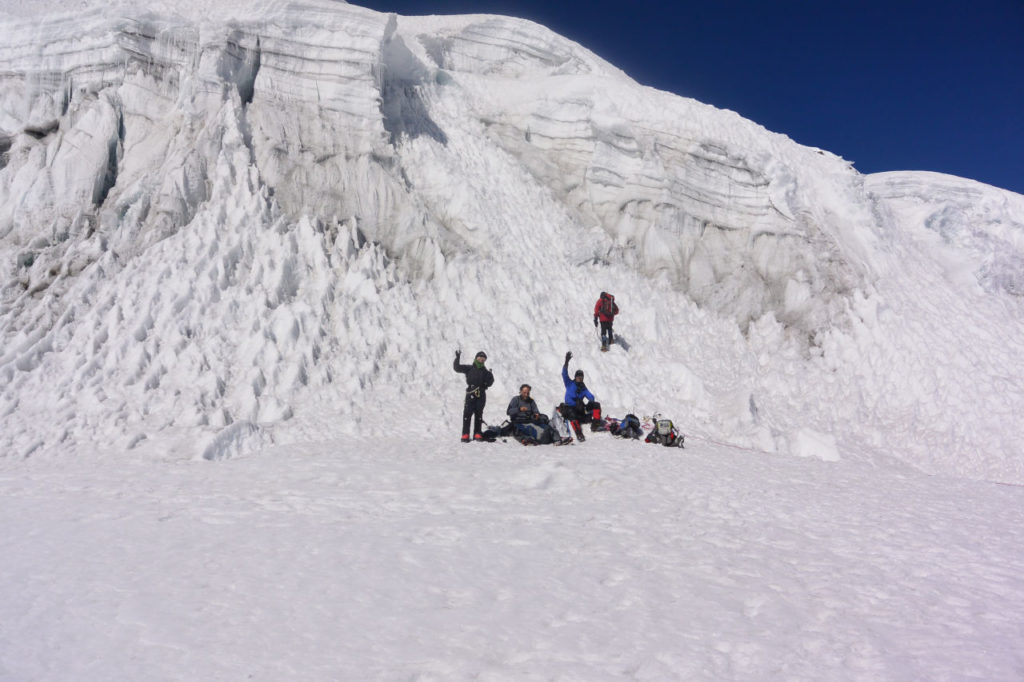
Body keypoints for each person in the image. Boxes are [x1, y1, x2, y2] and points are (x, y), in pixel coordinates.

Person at [506, 384, 572, 445]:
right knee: (526, 430)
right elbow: (509, 412)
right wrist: (519, 409)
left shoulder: (531, 401)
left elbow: (536, 411)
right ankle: (528, 440)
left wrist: (536, 415)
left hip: (530, 420)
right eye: (524, 392)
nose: (526, 395)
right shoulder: (515, 399)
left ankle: (558, 439)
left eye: (528, 393)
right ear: (520, 392)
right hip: (518, 421)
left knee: (547, 427)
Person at [559, 351, 603, 441]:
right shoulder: (569, 383)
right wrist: (566, 362)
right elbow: (564, 374)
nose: (580, 379)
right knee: (572, 413)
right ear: (575, 377)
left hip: (580, 411)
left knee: (596, 404)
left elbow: (590, 396)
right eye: (578, 377)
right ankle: (579, 433)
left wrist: (590, 402)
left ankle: (595, 424)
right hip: (570, 409)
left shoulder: (583, 387)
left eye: (581, 377)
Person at [453, 350, 493, 442]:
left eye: (483, 359)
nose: (481, 360)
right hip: (471, 393)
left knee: (479, 414)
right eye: (480, 358)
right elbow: (457, 368)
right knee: (467, 414)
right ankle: (465, 434)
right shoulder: (469, 368)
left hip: (481, 394)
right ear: (476, 358)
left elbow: (490, 382)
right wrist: (457, 358)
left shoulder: (486, 372)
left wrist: (490, 377)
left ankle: (477, 433)